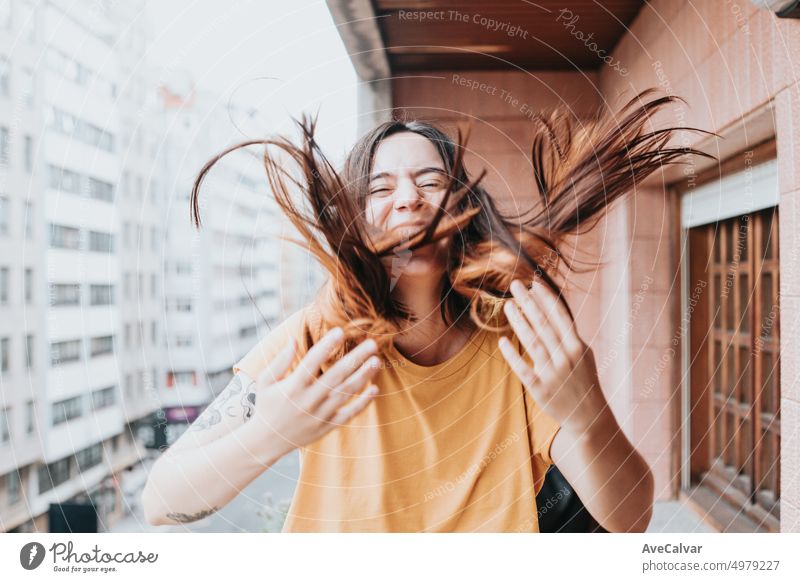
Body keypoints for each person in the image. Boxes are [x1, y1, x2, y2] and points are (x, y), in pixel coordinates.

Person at [141, 88, 714, 532]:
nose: (408, 199)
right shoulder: (318, 338)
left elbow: (631, 517)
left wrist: (589, 416)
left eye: (430, 181)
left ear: (462, 210)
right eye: (380, 187)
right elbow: (162, 501)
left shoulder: (509, 343)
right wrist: (274, 429)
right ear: (357, 221)